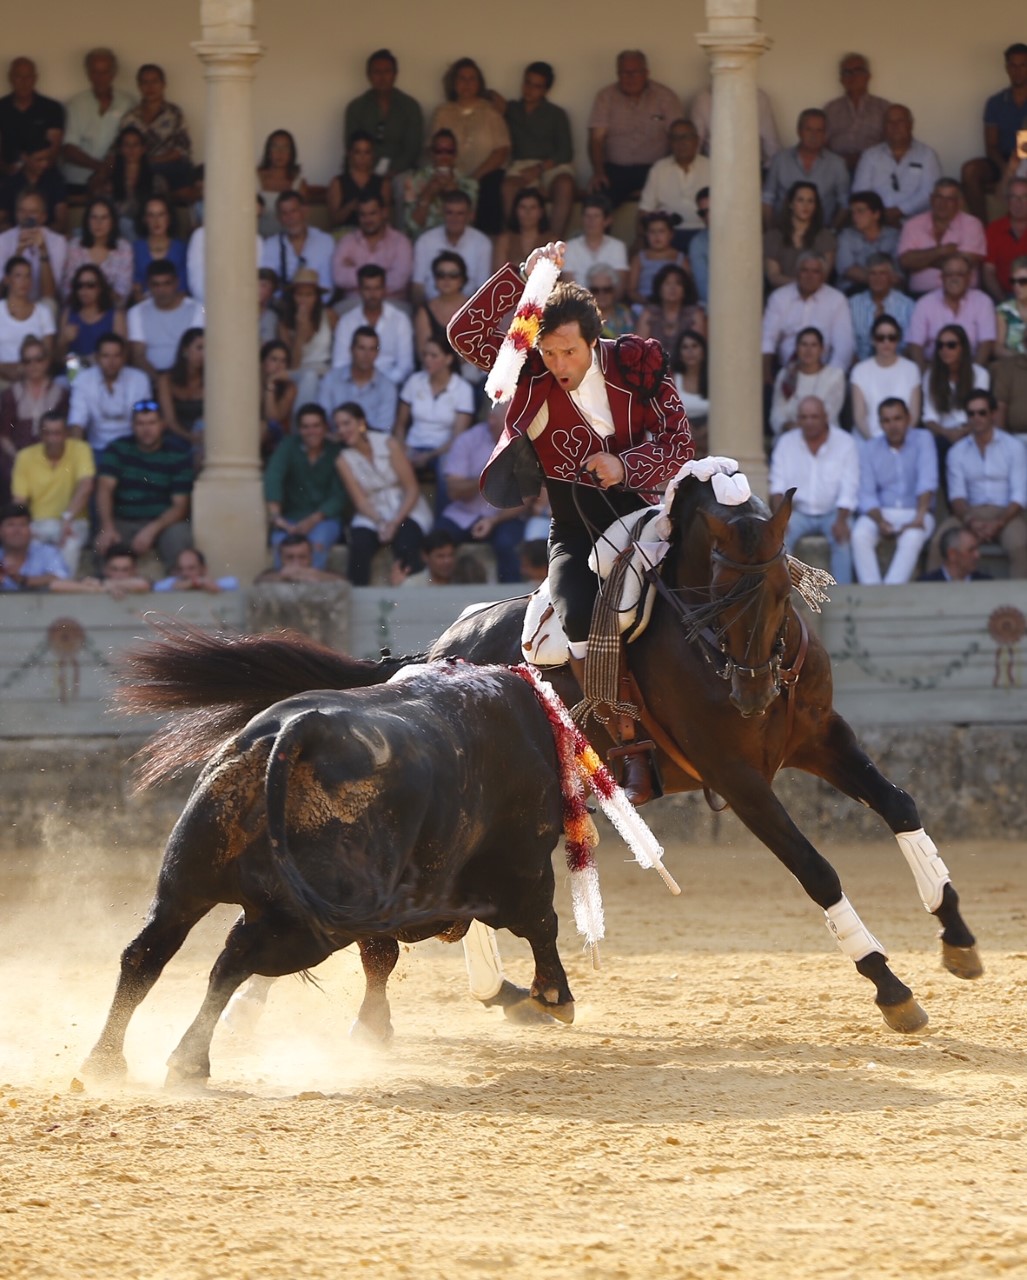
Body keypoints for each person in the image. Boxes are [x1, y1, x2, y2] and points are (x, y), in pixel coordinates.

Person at [448, 241, 694, 805]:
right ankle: (629, 751)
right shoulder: (528, 369)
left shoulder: (637, 361)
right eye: (549, 353)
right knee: (576, 611)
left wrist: (625, 464)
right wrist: (528, 282)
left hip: (642, 513)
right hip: (573, 528)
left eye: (568, 353)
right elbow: (464, 334)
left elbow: (681, 445)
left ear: (594, 342)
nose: (558, 365)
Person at [928, 390, 1027, 577]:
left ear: (993, 414)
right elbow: (956, 498)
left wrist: (998, 523)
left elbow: (1019, 496)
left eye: (982, 412)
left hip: (1007, 514)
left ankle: (1018, 605)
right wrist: (971, 521)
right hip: (970, 512)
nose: (976, 418)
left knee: (1021, 546)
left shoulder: (1014, 447)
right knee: (939, 542)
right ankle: (935, 603)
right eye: (971, 414)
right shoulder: (957, 452)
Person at [333, 401, 431, 585]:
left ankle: (413, 596)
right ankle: (360, 598)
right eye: (338, 426)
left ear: (361, 422)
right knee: (359, 542)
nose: (342, 430)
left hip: (404, 506)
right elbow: (360, 501)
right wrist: (380, 522)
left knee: (406, 538)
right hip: (372, 512)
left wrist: (394, 522)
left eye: (347, 423)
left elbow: (411, 488)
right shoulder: (343, 459)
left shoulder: (387, 443)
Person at [768, 395, 858, 585]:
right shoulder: (786, 443)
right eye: (804, 417)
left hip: (833, 512)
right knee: (779, 541)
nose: (809, 422)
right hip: (797, 512)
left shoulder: (845, 442)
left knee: (842, 540)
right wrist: (781, 520)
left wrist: (841, 520)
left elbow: (849, 486)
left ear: (826, 417)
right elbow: (777, 487)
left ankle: (845, 599)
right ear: (798, 419)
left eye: (814, 416)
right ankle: (784, 598)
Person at [95, 399, 193, 571]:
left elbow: (181, 506)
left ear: (162, 424)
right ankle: (108, 588)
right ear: (132, 426)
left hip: (162, 523)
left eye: (152, 423)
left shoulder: (178, 455)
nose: (146, 429)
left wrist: (152, 529)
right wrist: (108, 527)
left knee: (180, 535)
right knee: (105, 540)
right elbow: (104, 489)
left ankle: (178, 588)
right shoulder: (118, 449)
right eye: (140, 423)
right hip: (123, 520)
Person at [435, 404, 528, 583]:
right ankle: (436, 598)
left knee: (507, 545)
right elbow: (453, 490)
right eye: (490, 416)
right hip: (463, 513)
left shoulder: (524, 442)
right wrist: (485, 477)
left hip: (503, 516)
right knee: (438, 541)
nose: (491, 422)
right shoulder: (468, 440)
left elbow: (528, 498)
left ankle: (511, 603)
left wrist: (493, 520)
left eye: (497, 418)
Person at [851, 398, 937, 584]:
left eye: (898, 419)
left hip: (917, 511)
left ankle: (890, 591)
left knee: (913, 536)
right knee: (859, 534)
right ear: (880, 423)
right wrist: (880, 521)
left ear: (908, 418)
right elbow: (866, 494)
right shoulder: (869, 448)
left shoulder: (923, 439)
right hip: (883, 512)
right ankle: (872, 591)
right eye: (887, 421)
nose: (893, 426)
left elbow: (927, 481)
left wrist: (919, 518)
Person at [587, 51, 681, 208]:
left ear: (646, 73)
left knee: (669, 204)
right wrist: (598, 172)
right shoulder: (605, 97)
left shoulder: (665, 96)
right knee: (596, 205)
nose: (629, 77)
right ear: (617, 74)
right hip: (615, 171)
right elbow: (596, 139)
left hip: (655, 169)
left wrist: (670, 173)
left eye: (635, 72)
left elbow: (677, 137)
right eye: (624, 72)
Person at [430, 58, 511, 236]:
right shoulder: (442, 112)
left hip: (484, 177)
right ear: (453, 83)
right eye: (461, 78)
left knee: (492, 185)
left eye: (472, 79)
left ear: (479, 83)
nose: (466, 83)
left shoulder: (491, 112)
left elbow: (501, 150)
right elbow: (434, 148)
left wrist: (474, 178)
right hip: (450, 174)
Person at [10, 409, 95, 573]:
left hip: (73, 521)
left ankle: (62, 592)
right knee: (27, 544)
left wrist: (67, 519)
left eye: (57, 433)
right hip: (37, 524)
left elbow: (86, 485)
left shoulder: (81, 449)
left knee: (69, 543)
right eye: (47, 433)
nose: (52, 439)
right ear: (40, 434)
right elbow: (19, 500)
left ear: (66, 434)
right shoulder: (25, 456)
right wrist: (23, 527)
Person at [263, 403, 346, 569]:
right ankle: (284, 592)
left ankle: (310, 591)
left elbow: (341, 494)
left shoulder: (336, 451)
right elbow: (273, 476)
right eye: (305, 427)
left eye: (316, 426)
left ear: (325, 428)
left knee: (317, 544)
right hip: (291, 518)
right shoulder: (289, 446)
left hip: (324, 519)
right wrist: (277, 517)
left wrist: (313, 519)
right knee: (282, 546)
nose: (311, 432)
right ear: (299, 429)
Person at [502, 61, 575, 241]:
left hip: (551, 165)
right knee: (508, 187)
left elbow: (566, 151)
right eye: (527, 83)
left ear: (545, 90)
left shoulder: (556, 113)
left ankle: (554, 245)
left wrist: (538, 170)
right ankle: (516, 243)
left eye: (537, 86)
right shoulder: (511, 109)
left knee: (565, 185)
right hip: (521, 164)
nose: (530, 89)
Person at [961, 43, 1027, 222]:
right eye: (1013, 65)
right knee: (970, 170)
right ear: (1007, 68)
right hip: (1001, 161)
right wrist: (1006, 168)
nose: (1018, 71)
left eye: (1023, 65)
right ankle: (982, 231)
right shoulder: (995, 102)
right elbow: (991, 146)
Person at [762, 251, 854, 378]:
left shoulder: (837, 300)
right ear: (797, 273)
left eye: (815, 272)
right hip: (785, 370)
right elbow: (767, 339)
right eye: (804, 270)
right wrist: (766, 375)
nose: (809, 276)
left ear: (823, 276)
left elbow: (844, 346)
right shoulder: (779, 297)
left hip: (825, 370)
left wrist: (830, 378)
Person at [394, 336, 474, 482]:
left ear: (448, 359)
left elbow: (458, 437)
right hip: (412, 445)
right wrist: (402, 448)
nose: (427, 360)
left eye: (433, 356)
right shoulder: (414, 381)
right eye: (425, 355)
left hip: (443, 449)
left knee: (447, 467)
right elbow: (400, 424)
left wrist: (429, 456)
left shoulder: (463, 389)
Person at [0, 337, 69, 501]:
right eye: (28, 361)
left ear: (47, 362)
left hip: (52, 457)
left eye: (38, 359)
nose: (34, 365)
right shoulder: (10, 394)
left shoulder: (61, 393)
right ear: (22, 365)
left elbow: (65, 433)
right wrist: (21, 460)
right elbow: (3, 436)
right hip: (16, 457)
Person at [920, 324, 991, 482]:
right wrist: (948, 433)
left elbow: (982, 412)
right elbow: (929, 418)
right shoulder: (931, 375)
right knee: (936, 447)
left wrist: (963, 432)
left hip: (973, 430)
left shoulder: (979, 374)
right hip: (942, 434)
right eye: (940, 345)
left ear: (963, 348)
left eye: (951, 345)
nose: (945, 350)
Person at [61, 47, 135, 194]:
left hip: (114, 182)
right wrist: (100, 167)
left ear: (113, 74)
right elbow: (68, 150)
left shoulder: (128, 104)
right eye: (95, 72)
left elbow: (131, 147)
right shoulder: (75, 105)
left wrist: (107, 171)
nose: (100, 78)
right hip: (77, 181)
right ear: (88, 74)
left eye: (105, 72)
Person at [852, 104, 941, 226]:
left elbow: (929, 192)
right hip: (876, 223)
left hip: (917, 224)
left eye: (900, 121)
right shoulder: (870, 156)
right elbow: (860, 192)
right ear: (883, 127)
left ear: (910, 125)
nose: (895, 126)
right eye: (890, 122)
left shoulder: (927, 155)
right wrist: (881, 214)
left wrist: (900, 211)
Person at [343, 49, 423, 184]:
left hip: (401, 171)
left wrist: (392, 171)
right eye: (377, 72)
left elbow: (412, 149)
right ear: (368, 75)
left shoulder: (410, 106)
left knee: (402, 185)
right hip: (364, 169)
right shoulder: (356, 107)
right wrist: (371, 171)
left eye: (387, 72)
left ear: (395, 74)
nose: (382, 77)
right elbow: (351, 146)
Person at [762, 108, 850, 229]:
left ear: (825, 134)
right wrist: (772, 234)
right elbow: (767, 200)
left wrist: (831, 233)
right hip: (784, 234)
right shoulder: (780, 160)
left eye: (819, 130)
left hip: (821, 234)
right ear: (799, 131)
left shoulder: (837, 164)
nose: (814, 135)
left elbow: (845, 204)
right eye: (808, 129)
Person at [897, 178, 986, 297]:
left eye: (949, 199)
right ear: (931, 199)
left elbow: (967, 262)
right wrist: (941, 251)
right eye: (938, 197)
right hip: (920, 296)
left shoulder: (972, 224)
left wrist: (922, 260)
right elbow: (906, 261)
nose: (942, 204)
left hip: (964, 295)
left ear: (960, 203)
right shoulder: (912, 224)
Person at [67, 332, 151, 456]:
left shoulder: (139, 379)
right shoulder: (83, 380)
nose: (111, 362)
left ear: (124, 358)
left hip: (132, 449)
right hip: (97, 448)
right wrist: (76, 458)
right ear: (96, 357)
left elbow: (145, 420)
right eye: (105, 356)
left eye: (116, 356)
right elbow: (77, 422)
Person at [907, 253, 996, 369]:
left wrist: (975, 373)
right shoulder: (925, 303)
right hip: (934, 368)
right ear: (942, 277)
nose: (954, 279)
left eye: (960, 274)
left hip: (970, 367)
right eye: (949, 274)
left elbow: (987, 343)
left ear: (969, 277)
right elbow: (915, 344)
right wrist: (925, 375)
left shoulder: (983, 301)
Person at [116, 64, 193, 197]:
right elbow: (117, 150)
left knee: (184, 169)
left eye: (154, 82)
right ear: (139, 86)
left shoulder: (174, 113)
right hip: (135, 169)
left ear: (163, 85)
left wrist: (151, 161)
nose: (150, 87)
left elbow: (181, 150)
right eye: (145, 82)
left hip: (167, 166)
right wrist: (106, 169)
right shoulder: (130, 117)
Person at [331, 264, 414, 386]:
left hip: (391, 384)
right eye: (367, 289)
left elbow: (405, 366)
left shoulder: (400, 320)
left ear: (384, 289)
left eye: (377, 288)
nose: (372, 294)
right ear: (359, 290)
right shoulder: (347, 321)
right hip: (353, 385)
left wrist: (383, 385)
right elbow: (339, 363)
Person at [637, 119, 710, 249]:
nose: (681, 142)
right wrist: (641, 239)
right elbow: (645, 210)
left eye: (685, 137)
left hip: (704, 233)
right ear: (670, 142)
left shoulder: (712, 167)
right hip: (668, 236)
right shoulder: (659, 168)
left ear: (696, 140)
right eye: (675, 138)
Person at [127, 258, 205, 380]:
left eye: (167, 283)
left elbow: (198, 351)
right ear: (148, 285)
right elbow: (138, 355)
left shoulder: (199, 308)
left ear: (177, 283)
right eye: (156, 285)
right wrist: (161, 383)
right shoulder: (135, 312)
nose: (161, 290)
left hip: (188, 380)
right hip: (151, 379)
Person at [410, 189, 491, 304]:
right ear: (442, 214)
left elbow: (482, 288)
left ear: (470, 215)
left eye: (460, 213)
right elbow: (417, 287)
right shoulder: (425, 241)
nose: (454, 218)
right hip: (430, 309)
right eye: (449, 213)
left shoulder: (482, 243)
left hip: (468, 311)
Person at [850, 315, 922, 440]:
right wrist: (875, 443)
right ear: (872, 340)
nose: (886, 342)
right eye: (880, 338)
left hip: (904, 439)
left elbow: (914, 415)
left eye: (891, 337)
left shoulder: (911, 369)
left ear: (898, 340)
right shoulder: (860, 371)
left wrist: (899, 441)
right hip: (868, 438)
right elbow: (859, 417)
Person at [330, 192, 411, 300]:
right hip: (354, 304)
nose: (367, 220)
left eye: (373, 213)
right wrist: (383, 273)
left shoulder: (401, 242)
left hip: (391, 304)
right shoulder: (347, 241)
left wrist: (356, 270)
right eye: (363, 214)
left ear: (384, 213)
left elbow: (398, 281)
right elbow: (339, 277)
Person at [92, 124, 167, 241]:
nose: (131, 150)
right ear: (120, 149)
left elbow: (164, 214)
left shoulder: (157, 181)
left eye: (136, 145)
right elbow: (94, 195)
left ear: (143, 149)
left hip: (147, 235)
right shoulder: (110, 178)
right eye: (126, 145)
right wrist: (106, 170)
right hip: (116, 237)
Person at [276, 267, 336, 411]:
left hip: (325, 370)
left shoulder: (329, 316)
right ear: (293, 297)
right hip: (298, 373)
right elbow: (293, 365)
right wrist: (300, 334)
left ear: (316, 297)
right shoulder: (284, 325)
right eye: (299, 295)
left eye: (309, 295)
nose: (303, 300)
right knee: (309, 378)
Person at [318, 325, 397, 434]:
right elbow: (322, 420)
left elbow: (385, 428)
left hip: (371, 446)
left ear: (377, 353)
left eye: (372, 349)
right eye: (361, 348)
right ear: (351, 349)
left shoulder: (387, 387)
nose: (367, 355)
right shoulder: (331, 380)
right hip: (335, 442)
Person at [769, 326, 845, 437]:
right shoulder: (786, 374)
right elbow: (777, 413)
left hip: (824, 437)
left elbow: (829, 413)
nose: (808, 350)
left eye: (814, 345)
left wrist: (803, 427)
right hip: (789, 435)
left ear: (822, 349)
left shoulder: (835, 376)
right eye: (804, 344)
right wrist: (787, 426)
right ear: (796, 348)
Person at [402, 129, 478, 239]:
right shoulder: (414, 180)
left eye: (449, 151)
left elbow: (470, 221)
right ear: (432, 154)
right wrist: (428, 194)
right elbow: (412, 227)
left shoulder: (469, 184)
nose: (444, 156)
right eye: (439, 151)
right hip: (425, 241)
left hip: (458, 241)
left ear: (455, 154)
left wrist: (455, 193)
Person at [762, 181, 837, 289]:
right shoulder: (774, 236)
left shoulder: (825, 236)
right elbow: (773, 276)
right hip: (782, 296)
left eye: (810, 201)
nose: (805, 205)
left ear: (815, 206)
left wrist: (804, 284)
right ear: (791, 204)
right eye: (800, 200)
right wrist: (803, 283)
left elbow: (823, 276)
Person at [823, 53, 890, 174]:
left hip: (875, 168)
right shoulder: (830, 109)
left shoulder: (884, 107)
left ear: (868, 76)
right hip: (836, 169)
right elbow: (822, 143)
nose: (852, 76)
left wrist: (865, 158)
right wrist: (838, 161)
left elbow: (891, 142)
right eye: (847, 72)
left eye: (857, 71)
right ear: (841, 79)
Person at [61, 196, 133, 306]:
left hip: (111, 310)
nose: (98, 223)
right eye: (93, 217)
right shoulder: (75, 246)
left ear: (112, 222)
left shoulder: (123, 248)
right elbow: (67, 287)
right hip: (79, 308)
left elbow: (123, 291)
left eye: (104, 218)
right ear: (87, 220)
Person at [260, 190, 335, 296]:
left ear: (305, 212)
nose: (290, 217)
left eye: (293, 211)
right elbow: (267, 284)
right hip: (281, 307)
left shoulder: (325, 241)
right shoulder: (270, 245)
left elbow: (328, 283)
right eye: (284, 213)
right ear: (279, 218)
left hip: (320, 305)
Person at [690, 84, 781, 168]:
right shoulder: (703, 100)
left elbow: (771, 144)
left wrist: (768, 174)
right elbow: (694, 146)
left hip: (751, 170)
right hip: (716, 171)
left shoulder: (758, 98)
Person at [0, 190, 66, 304]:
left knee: (49, 305)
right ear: (16, 214)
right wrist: (18, 253)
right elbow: (2, 291)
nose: (27, 216)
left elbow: (49, 294)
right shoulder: (3, 239)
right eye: (22, 211)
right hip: (11, 303)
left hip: (41, 305)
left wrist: (43, 249)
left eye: (33, 212)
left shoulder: (57, 241)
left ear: (43, 216)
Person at [0, 58, 64, 174]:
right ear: (10, 78)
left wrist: (33, 166)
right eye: (18, 76)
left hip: (44, 174)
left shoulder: (52, 108)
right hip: (8, 174)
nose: (24, 82)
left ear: (35, 78)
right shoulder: (2, 108)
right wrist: (7, 169)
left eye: (28, 77)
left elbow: (54, 150)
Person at [850, 253, 915, 362]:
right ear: (867, 277)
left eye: (883, 273)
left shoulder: (907, 306)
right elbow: (847, 345)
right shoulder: (852, 304)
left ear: (892, 277)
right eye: (873, 273)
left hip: (897, 368)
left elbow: (910, 346)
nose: (877, 278)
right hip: (861, 367)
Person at [561, 195, 628, 298]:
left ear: (607, 220)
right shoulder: (569, 247)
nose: (591, 221)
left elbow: (620, 288)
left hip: (611, 308)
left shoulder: (618, 247)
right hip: (579, 308)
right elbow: (568, 287)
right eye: (587, 216)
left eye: (596, 216)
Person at [0, 257, 55, 382]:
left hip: (35, 377)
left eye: (27, 276)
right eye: (18, 276)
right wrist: (7, 369)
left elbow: (48, 354)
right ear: (7, 280)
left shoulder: (43, 312)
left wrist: (28, 370)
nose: (23, 281)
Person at [835, 190, 900, 295]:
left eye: (860, 211)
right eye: (853, 212)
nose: (855, 216)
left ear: (876, 214)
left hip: (889, 294)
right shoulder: (846, 236)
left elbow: (899, 274)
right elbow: (847, 270)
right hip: (853, 292)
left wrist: (877, 281)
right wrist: (880, 280)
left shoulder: (894, 236)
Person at [326, 131, 389, 231]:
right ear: (349, 154)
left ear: (373, 155)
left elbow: (385, 217)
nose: (362, 158)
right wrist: (351, 206)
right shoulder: (337, 183)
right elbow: (333, 221)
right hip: (345, 234)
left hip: (374, 234)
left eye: (367, 152)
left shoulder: (382, 183)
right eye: (357, 152)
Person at [0, 500, 68, 590]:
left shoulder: (47, 552)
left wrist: (22, 580)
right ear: (1, 530)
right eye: (10, 525)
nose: (17, 531)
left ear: (31, 530)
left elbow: (61, 577)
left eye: (22, 525)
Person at [157, 327, 204, 454]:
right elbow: (169, 421)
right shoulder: (166, 379)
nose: (204, 354)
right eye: (199, 348)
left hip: (204, 435)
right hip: (175, 435)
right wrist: (190, 437)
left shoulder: (212, 380)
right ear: (185, 350)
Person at [636, 263, 706, 348]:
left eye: (678, 283)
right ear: (659, 289)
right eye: (667, 283)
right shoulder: (649, 314)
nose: (672, 287)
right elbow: (640, 348)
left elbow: (697, 349)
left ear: (685, 289)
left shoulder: (695, 314)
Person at [131, 193, 187, 300]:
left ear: (169, 218)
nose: (156, 221)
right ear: (144, 219)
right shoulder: (136, 249)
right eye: (151, 215)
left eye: (161, 214)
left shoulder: (181, 248)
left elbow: (183, 288)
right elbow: (136, 287)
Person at [629, 210, 688, 306]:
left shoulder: (681, 259)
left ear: (671, 234)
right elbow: (631, 290)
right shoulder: (639, 259)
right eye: (652, 232)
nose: (657, 236)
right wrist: (646, 302)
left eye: (661, 231)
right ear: (646, 235)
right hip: (645, 305)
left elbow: (687, 288)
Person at [256, 129, 309, 233]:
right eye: (275, 147)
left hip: (287, 241)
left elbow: (302, 218)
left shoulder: (298, 183)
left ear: (292, 153)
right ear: (268, 151)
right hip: (256, 241)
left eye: (285, 148)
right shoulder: (254, 177)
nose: (280, 153)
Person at [984, 178, 1027, 302]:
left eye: (1024, 197)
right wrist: (1005, 303)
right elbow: (988, 272)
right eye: (1014, 197)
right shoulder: (994, 229)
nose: (1018, 203)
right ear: (1007, 201)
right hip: (1003, 296)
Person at [492, 186, 549, 276]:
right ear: (516, 211)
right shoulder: (504, 240)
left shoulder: (551, 241)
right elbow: (498, 274)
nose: (528, 212)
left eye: (533, 207)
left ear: (541, 212)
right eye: (523, 207)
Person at [254, 530, 344, 584]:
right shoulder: (272, 574)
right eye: (290, 557)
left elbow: (344, 582)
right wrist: (283, 576)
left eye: (302, 557)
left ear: (311, 557)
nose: (296, 562)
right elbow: (258, 581)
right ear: (281, 558)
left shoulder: (321, 573)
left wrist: (314, 575)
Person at [671, 329, 709, 454]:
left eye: (695, 346)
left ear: (703, 351)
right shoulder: (672, 378)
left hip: (711, 436)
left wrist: (708, 429)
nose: (690, 351)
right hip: (680, 437)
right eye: (685, 347)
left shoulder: (715, 379)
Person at [259, 339, 296, 456]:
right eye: (274, 360)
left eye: (283, 361)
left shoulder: (290, 388)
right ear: (263, 362)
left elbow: (273, 419)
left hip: (280, 437)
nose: (279, 366)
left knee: (263, 427)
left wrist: (270, 385)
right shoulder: (254, 383)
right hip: (252, 432)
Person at [918, 525, 991, 581]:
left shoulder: (986, 583)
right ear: (952, 554)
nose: (977, 555)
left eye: (977, 549)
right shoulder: (926, 584)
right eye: (971, 550)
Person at [153, 545, 237, 593]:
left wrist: (201, 583)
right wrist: (193, 583)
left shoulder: (219, 583)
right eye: (181, 569)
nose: (185, 573)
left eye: (191, 568)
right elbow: (157, 587)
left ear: (204, 569)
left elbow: (233, 583)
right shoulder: (173, 583)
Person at [588, 264, 634, 339]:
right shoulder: (582, 316)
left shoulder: (626, 315)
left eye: (607, 290)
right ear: (589, 292)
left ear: (614, 290)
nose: (601, 295)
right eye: (595, 290)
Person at [689, 187, 711, 305]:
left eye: (713, 210)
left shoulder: (745, 238)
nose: (708, 217)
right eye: (703, 213)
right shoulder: (698, 242)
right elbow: (703, 288)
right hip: (711, 307)